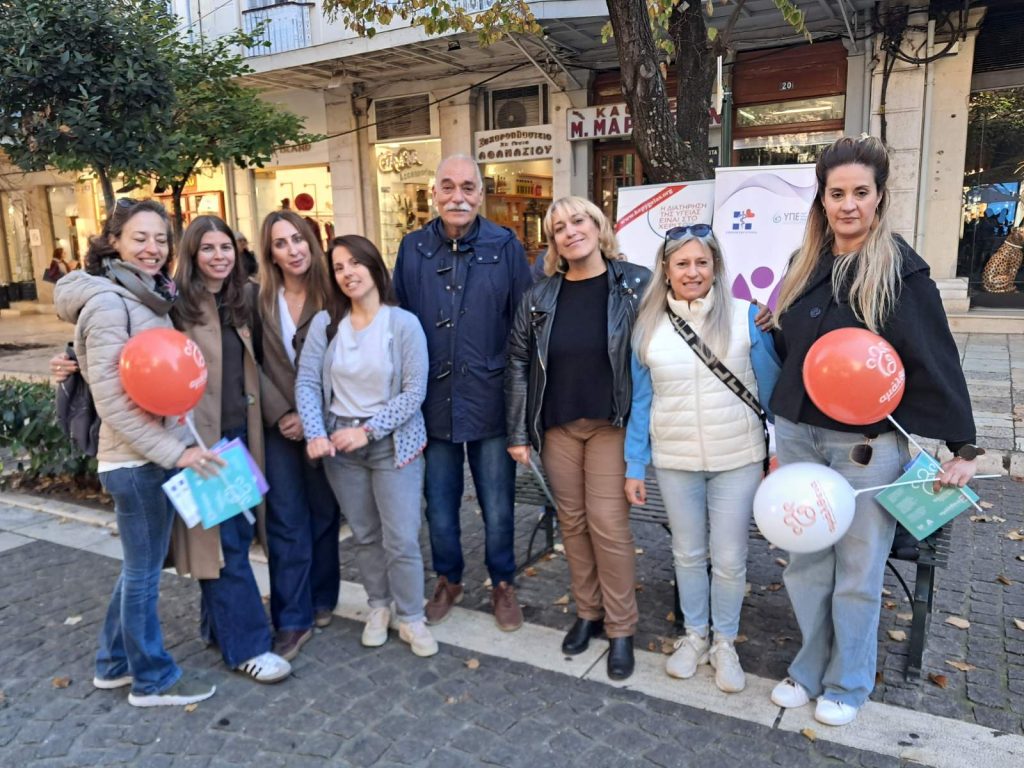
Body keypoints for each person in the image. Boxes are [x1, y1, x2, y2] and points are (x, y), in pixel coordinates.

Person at [769, 135, 977, 726]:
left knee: (859, 569)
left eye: (860, 192)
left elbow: (935, 356)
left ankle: (849, 683)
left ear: (879, 196)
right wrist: (773, 321)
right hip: (799, 434)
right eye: (837, 193)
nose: (848, 204)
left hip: (866, 447)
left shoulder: (902, 272)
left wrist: (962, 446)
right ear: (822, 198)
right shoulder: (804, 264)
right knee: (806, 562)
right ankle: (809, 669)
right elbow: (794, 348)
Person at [53, 199, 222, 707]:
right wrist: (177, 453)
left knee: (138, 567)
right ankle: (152, 679)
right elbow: (115, 404)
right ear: (114, 242)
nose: (153, 248)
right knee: (144, 575)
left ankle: (113, 663)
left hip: (145, 457)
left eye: (161, 239)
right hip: (135, 461)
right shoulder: (110, 303)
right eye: (139, 238)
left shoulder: (146, 295)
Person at [623, 226, 777, 693]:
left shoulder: (747, 316)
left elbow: (773, 392)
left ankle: (724, 642)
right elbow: (641, 402)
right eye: (682, 263)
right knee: (687, 555)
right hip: (675, 460)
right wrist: (634, 465)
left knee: (729, 559)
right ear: (666, 270)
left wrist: (785, 452)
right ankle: (694, 636)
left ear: (715, 267)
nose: (693, 272)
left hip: (737, 458)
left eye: (701, 262)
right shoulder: (647, 327)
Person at [506, 196, 649, 679]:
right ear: (553, 243)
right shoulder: (539, 297)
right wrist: (518, 431)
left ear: (598, 225)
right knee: (572, 522)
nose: (570, 231)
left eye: (578, 220)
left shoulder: (635, 284)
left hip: (611, 424)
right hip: (558, 426)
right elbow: (518, 362)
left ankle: (621, 627)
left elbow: (678, 325)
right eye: (559, 228)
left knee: (607, 523)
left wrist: (753, 317)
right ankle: (589, 612)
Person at [393, 154, 532, 631]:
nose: (458, 197)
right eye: (448, 187)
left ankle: (503, 582)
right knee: (439, 503)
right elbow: (399, 323)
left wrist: (521, 407)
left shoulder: (505, 245)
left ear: (481, 194)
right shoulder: (412, 248)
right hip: (432, 401)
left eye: (468, 187)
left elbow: (523, 326)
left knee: (498, 503)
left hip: (490, 400)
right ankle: (448, 579)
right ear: (434, 193)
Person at [296, 235, 437, 658]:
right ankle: (379, 606)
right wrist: (315, 432)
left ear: (374, 266)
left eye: (355, 263)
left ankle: (411, 616)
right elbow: (307, 382)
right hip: (341, 447)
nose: (348, 273)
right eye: (339, 267)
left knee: (402, 536)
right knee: (364, 534)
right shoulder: (326, 324)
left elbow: (414, 393)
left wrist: (369, 431)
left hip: (392, 443)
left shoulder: (403, 324)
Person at [168, 215, 291, 683]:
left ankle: (217, 629)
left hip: (241, 439)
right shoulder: (174, 303)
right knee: (226, 546)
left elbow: (258, 367)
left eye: (225, 247)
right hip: (201, 444)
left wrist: (284, 413)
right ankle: (248, 647)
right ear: (191, 254)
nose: (219, 256)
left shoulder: (243, 299)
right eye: (208, 248)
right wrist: (71, 360)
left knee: (229, 537)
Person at [256, 210, 341, 661]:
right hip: (278, 426)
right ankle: (292, 618)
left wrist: (313, 416)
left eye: (298, 239)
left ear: (312, 240)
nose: (293, 250)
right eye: (281, 243)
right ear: (270, 253)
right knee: (286, 520)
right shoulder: (257, 299)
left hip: (325, 423)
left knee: (324, 514)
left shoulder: (335, 292)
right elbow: (250, 361)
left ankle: (323, 596)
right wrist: (283, 412)